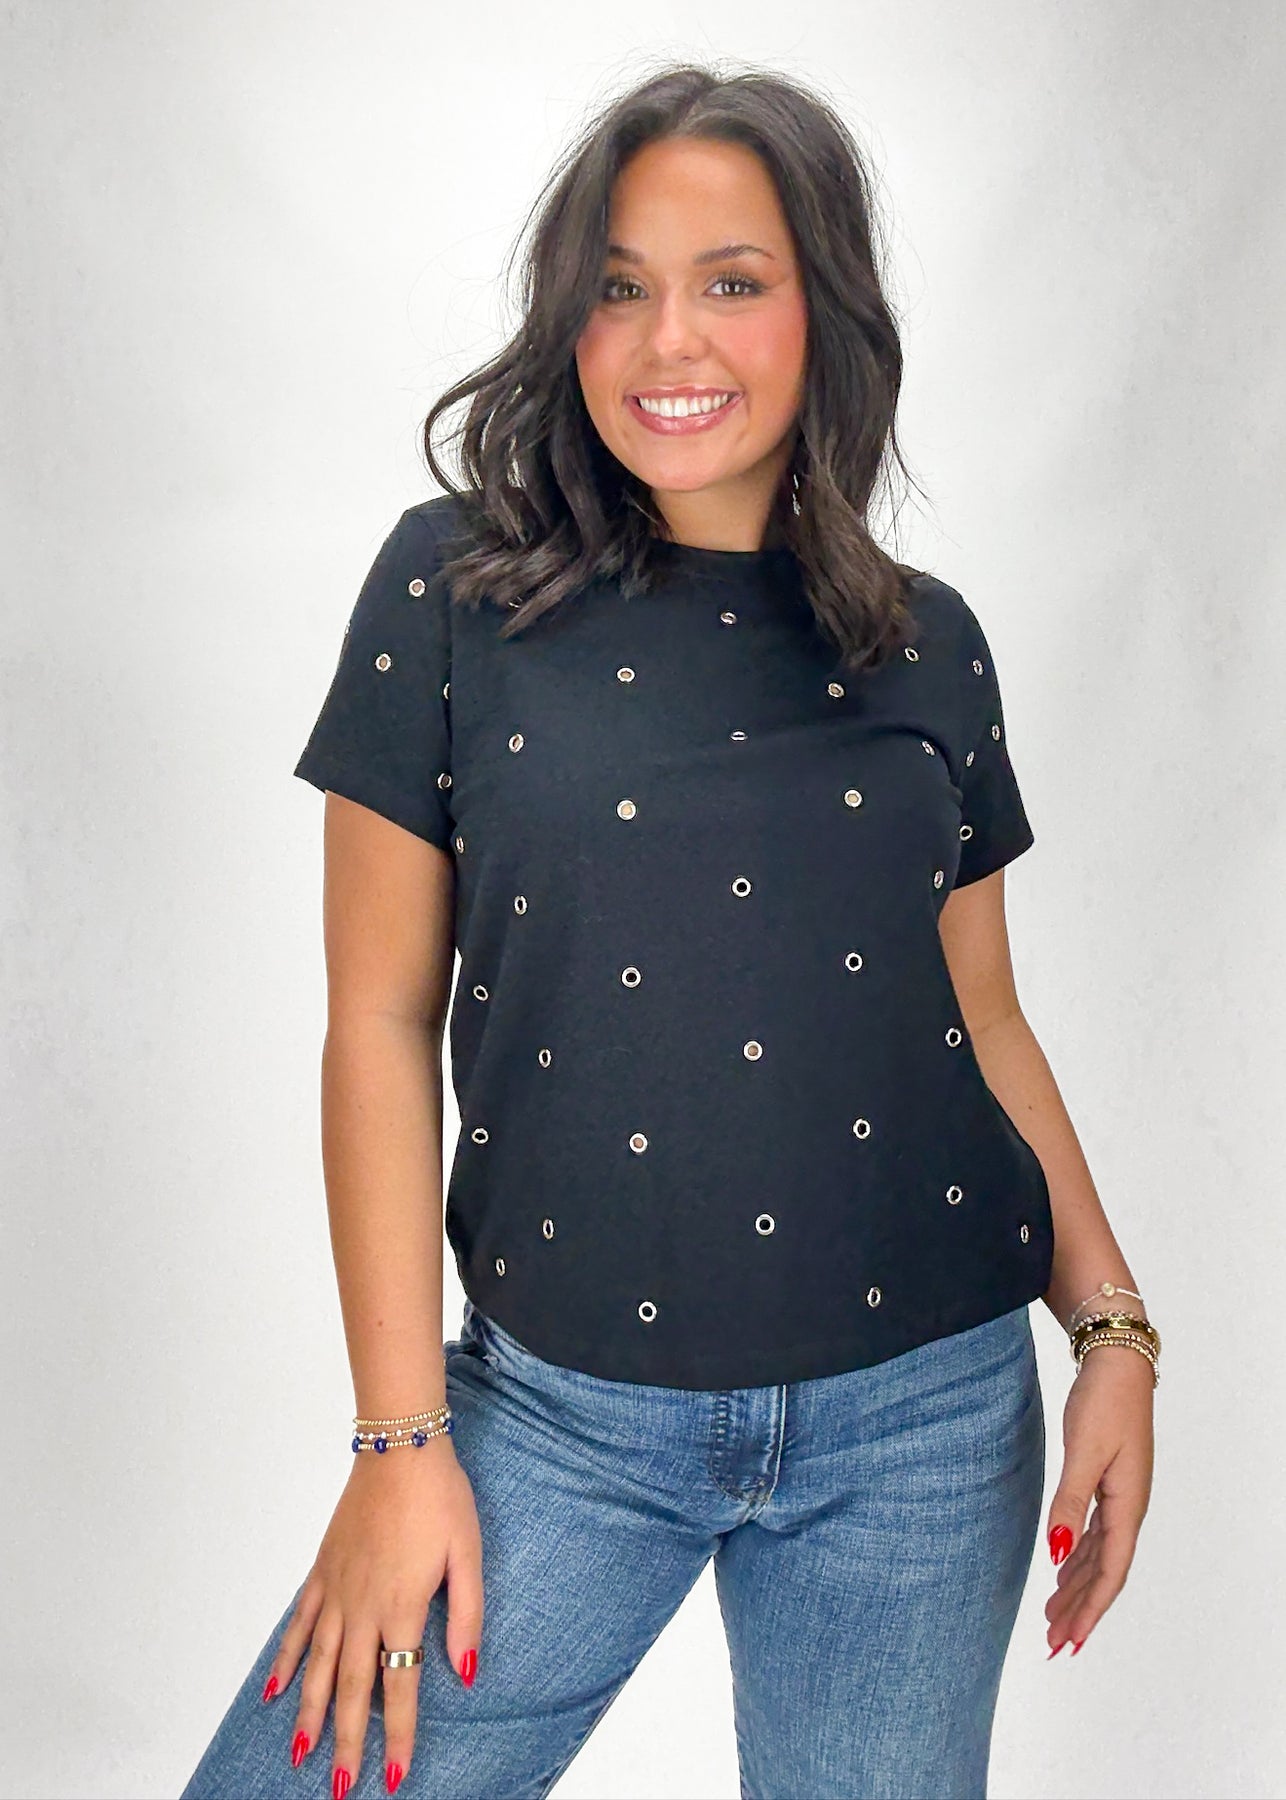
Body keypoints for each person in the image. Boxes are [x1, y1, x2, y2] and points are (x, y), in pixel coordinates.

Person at [179, 61, 1158, 1800]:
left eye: (731, 281)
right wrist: (399, 1444)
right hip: (561, 1419)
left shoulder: (927, 641)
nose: (668, 342)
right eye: (619, 288)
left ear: (823, 313)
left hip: (927, 1423)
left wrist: (1110, 1335)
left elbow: (984, 1017)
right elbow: (376, 1020)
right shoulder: (451, 590)